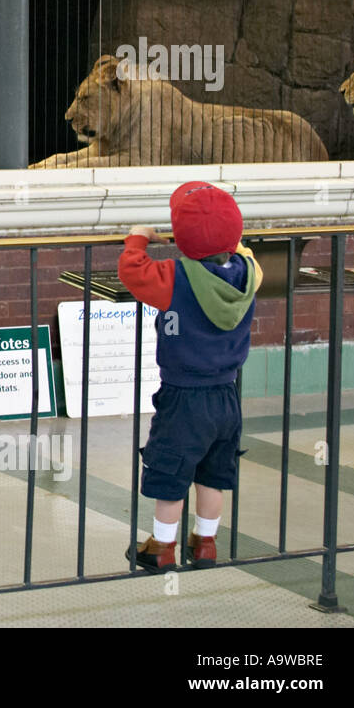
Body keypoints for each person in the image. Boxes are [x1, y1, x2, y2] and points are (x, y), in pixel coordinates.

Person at [117, 181, 263, 572]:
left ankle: (162, 548)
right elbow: (242, 249)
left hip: (183, 396)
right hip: (227, 396)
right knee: (213, 474)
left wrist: (138, 237)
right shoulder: (249, 273)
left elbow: (132, 270)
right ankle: (206, 544)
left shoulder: (173, 277)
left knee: (171, 471)